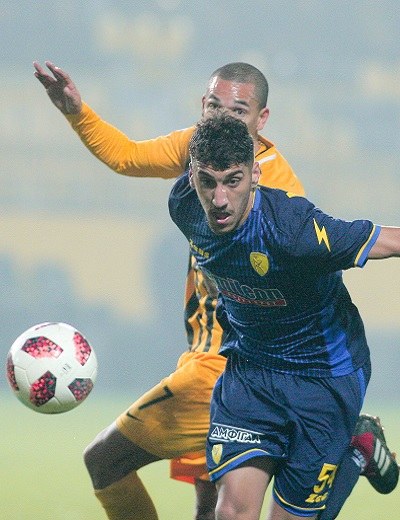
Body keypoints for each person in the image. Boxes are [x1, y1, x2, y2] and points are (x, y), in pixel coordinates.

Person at [33, 61, 398, 519]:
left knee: (112, 463)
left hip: (276, 367)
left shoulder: (285, 213)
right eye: (213, 106)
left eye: (238, 111)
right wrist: (77, 112)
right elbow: (127, 156)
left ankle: (349, 450)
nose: (219, 197)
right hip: (240, 367)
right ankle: (352, 444)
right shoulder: (192, 176)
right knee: (217, 510)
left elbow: (352, 254)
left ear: (260, 126)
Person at [169, 112, 400, 520]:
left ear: (255, 174)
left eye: (233, 181)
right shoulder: (184, 206)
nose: (219, 199)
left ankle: (357, 450)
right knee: (232, 513)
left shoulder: (293, 230)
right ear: (192, 177)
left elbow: (389, 241)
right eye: (208, 182)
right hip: (251, 372)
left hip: (323, 378)